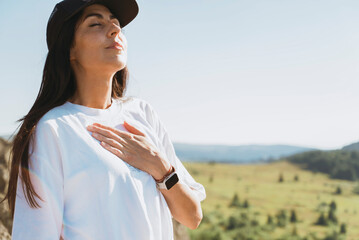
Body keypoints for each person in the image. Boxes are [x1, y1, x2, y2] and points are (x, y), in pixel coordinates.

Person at [1, 0, 206, 239]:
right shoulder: (53, 130)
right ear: (70, 49)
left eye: (116, 23)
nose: (114, 30)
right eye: (96, 23)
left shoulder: (143, 114)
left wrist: (159, 167)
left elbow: (192, 217)